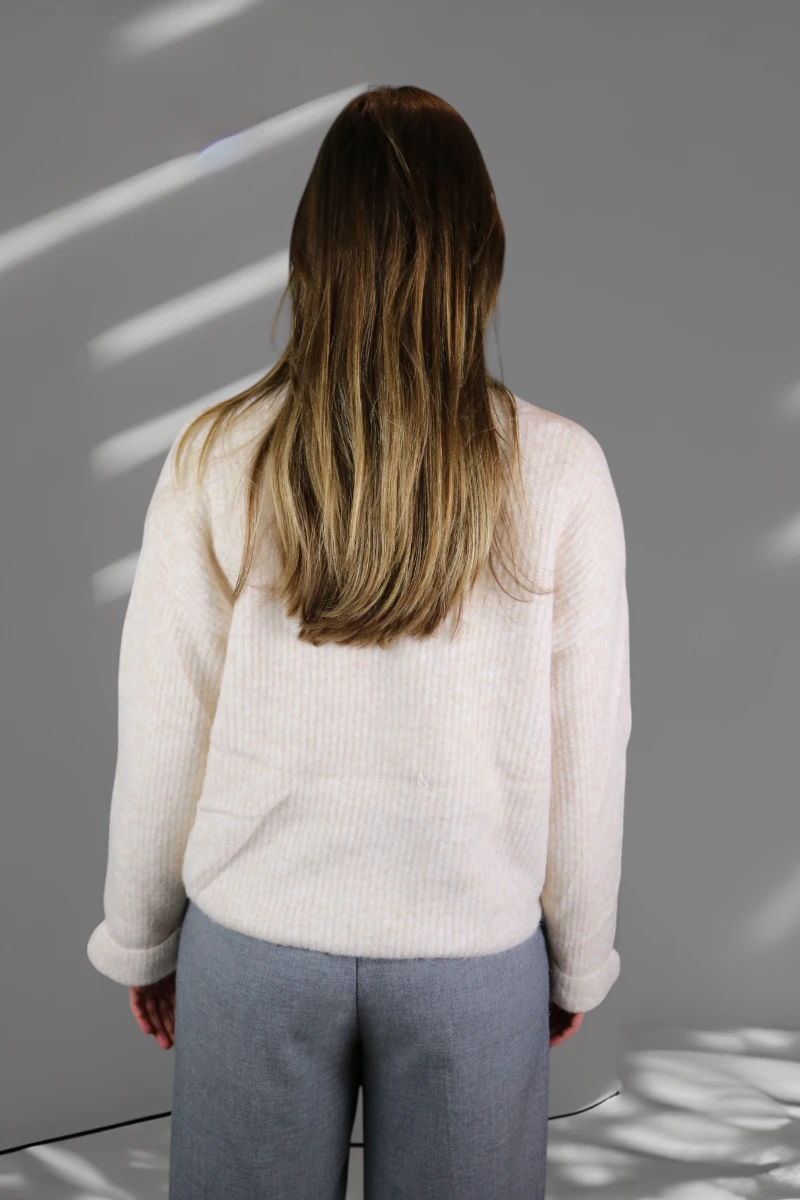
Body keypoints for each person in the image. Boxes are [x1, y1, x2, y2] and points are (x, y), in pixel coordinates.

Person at [87, 83, 631, 1200]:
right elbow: (588, 749)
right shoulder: (561, 468)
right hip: (471, 956)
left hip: (255, 945)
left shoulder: (216, 455)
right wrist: (578, 956)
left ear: (311, 251)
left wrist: (140, 936)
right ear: (479, 251)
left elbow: (165, 722)